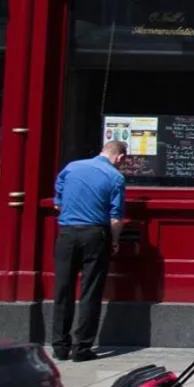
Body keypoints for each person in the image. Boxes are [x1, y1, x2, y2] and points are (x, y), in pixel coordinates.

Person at [52, 139, 127, 362]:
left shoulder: (71, 168)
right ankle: (82, 347)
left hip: (67, 234)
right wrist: (114, 241)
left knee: (63, 290)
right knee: (90, 291)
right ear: (120, 158)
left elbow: (58, 204)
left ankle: (60, 346)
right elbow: (115, 218)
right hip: (95, 234)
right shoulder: (115, 177)